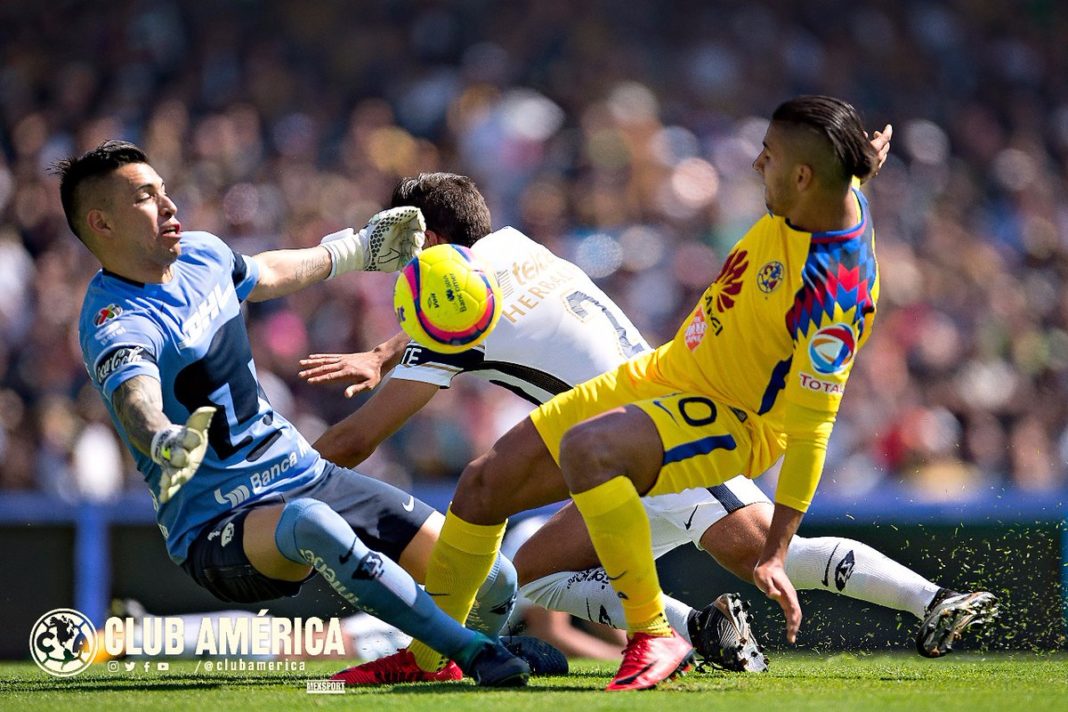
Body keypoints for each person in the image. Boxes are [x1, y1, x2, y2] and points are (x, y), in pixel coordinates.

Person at [300, 162, 992, 682]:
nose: (394, 265)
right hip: (622, 433)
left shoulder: (453, 310)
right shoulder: (514, 248)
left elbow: (359, 438)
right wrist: (385, 353)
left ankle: (934, 600)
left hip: (658, 433)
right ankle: (697, 627)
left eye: (399, 246)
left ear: (435, 240)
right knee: (526, 565)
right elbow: (451, 324)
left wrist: (277, 483)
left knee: (759, 554)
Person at [58, 140, 531, 688]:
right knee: (311, 524)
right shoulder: (114, 318)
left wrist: (354, 250)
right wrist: (163, 437)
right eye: (146, 197)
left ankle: (472, 650)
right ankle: (468, 653)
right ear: (102, 223)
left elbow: (267, 271)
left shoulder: (202, 255)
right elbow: (133, 396)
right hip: (219, 525)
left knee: (494, 576)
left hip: (306, 476)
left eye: (164, 190)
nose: (169, 206)